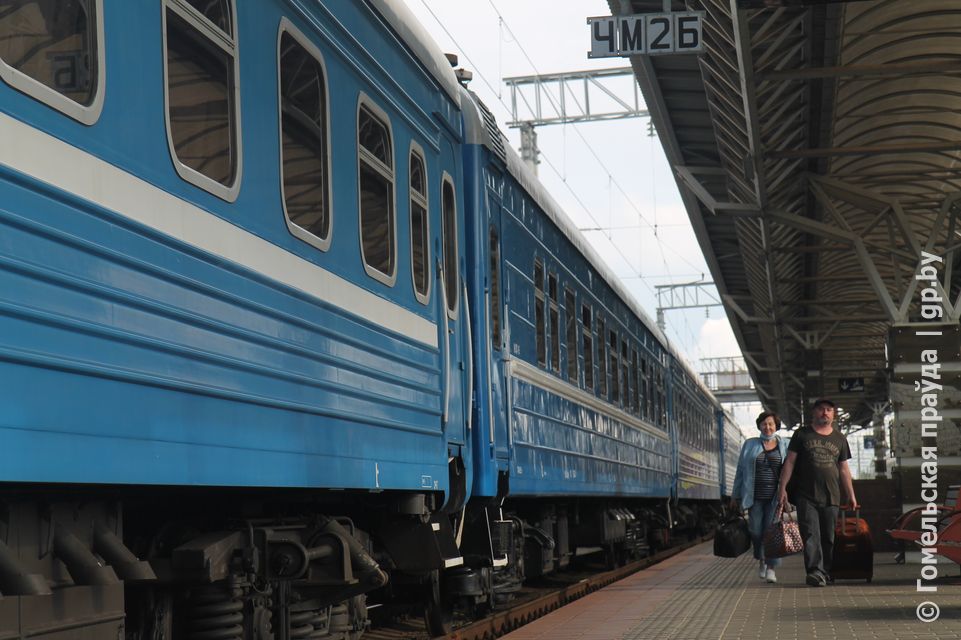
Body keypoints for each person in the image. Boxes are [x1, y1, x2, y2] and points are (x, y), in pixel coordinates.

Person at [777, 398, 858, 587]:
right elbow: (789, 461)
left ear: (833, 414)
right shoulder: (802, 435)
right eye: (821, 409)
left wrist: (851, 494)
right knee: (811, 534)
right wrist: (782, 488)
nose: (825, 413)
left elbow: (844, 469)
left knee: (828, 536)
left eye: (829, 410)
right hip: (806, 495)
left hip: (832, 496)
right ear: (814, 412)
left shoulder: (839, 438)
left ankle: (826, 571)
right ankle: (814, 571)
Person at [731, 411, 789, 583]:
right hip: (753, 496)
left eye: (771, 424)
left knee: (771, 532)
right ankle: (761, 559)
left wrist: (786, 492)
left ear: (776, 426)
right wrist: (735, 495)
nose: (768, 427)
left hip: (775, 497)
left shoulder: (784, 444)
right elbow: (740, 471)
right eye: (764, 424)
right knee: (756, 531)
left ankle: (771, 568)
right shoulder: (750, 444)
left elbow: (791, 468)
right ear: (759, 426)